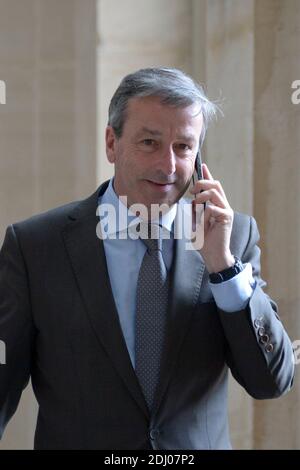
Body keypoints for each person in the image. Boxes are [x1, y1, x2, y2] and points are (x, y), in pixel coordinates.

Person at [0, 67, 294, 450]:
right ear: (111, 143)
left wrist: (223, 266)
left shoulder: (233, 238)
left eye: (183, 147)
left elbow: (271, 382)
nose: (168, 166)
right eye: (150, 143)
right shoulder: (35, 246)